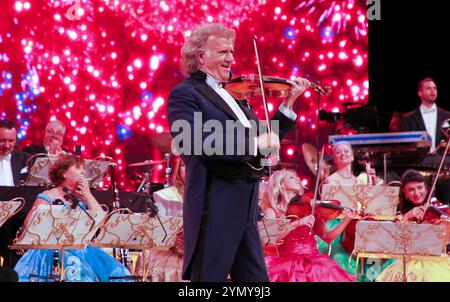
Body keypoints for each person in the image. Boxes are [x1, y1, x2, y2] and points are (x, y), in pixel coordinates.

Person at [167, 23, 311, 281]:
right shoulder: (186, 94)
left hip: (246, 204)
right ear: (201, 56)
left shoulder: (235, 96)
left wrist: (288, 103)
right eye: (223, 52)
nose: (231, 58)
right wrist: (254, 144)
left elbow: (267, 139)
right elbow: (198, 141)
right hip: (215, 205)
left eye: (232, 52)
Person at [13, 154, 132, 282]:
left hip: (82, 249)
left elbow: (102, 224)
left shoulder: (82, 198)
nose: (83, 171)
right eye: (78, 167)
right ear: (64, 173)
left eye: (83, 168)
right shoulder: (48, 196)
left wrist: (88, 195)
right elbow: (29, 225)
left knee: (118, 273)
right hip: (51, 252)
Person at [261, 169, 356, 282]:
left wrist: (347, 220)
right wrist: (297, 223)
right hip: (286, 263)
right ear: (281, 184)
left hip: (314, 261)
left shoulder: (308, 208)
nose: (297, 179)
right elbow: (269, 241)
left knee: (318, 269)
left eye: (297, 177)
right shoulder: (272, 211)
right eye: (291, 177)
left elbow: (327, 237)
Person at [376, 169, 450, 282]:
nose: (416, 193)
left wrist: (446, 226)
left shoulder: (437, 207)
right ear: (405, 192)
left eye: (420, 188)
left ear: (426, 188)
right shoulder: (400, 214)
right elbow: (393, 241)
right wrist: (407, 217)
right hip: (408, 261)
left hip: (435, 261)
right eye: (411, 190)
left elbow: (443, 244)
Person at [399, 77, 450, 205]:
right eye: (428, 88)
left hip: (444, 162)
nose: (432, 91)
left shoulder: (447, 116)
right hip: (418, 162)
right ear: (420, 93)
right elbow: (404, 148)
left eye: (434, 88)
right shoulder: (408, 119)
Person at [134, 158, 185, 281]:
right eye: (183, 165)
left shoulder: (212, 196)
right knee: (149, 259)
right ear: (178, 170)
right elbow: (157, 230)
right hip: (169, 249)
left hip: (201, 249)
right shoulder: (166, 196)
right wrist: (175, 241)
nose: (188, 169)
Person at [0, 120, 29, 269]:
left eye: (11, 141)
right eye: (2, 141)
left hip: (15, 215)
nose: (7, 145)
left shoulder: (23, 159)